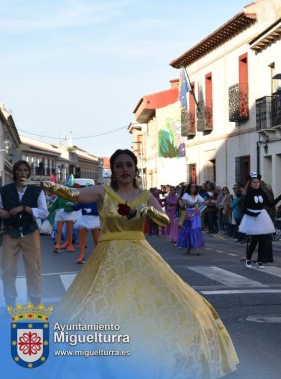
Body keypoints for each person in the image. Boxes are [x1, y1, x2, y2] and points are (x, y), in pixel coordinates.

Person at [26, 149, 238, 378]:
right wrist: (49, 186)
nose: (124, 169)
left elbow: (165, 219)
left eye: (129, 164)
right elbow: (72, 194)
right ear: (114, 171)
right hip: (107, 260)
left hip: (140, 255)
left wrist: (147, 210)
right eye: (119, 165)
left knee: (169, 305)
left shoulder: (145, 195)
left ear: (135, 168)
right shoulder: (102, 192)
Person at [0, 160, 49, 306]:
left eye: (25, 170)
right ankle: (10, 302)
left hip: (30, 231)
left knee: (33, 269)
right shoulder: (4, 190)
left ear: (29, 172)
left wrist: (25, 208)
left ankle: (35, 301)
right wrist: (3, 213)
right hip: (10, 232)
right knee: (8, 270)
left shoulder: (36, 190)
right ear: (14, 172)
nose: (22, 173)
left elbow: (44, 213)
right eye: (19, 170)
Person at [239, 172, 281, 269]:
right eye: (254, 182)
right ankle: (248, 259)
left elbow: (270, 205)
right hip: (252, 217)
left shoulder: (263, 193)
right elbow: (243, 209)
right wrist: (253, 214)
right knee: (254, 240)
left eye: (257, 182)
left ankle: (259, 261)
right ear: (250, 184)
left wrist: (279, 198)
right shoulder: (248, 195)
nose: (256, 184)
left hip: (262, 217)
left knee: (263, 241)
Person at [177, 183, 206, 254]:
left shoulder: (197, 195)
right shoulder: (186, 195)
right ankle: (189, 248)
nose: (193, 188)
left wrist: (209, 202)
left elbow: (203, 201)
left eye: (194, 187)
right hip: (189, 214)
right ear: (189, 188)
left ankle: (197, 250)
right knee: (189, 230)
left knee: (196, 230)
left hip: (196, 215)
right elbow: (184, 202)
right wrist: (193, 204)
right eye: (192, 187)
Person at [72, 193, 100, 264]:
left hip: (94, 220)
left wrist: (92, 210)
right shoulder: (83, 200)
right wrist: (72, 205)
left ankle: (98, 256)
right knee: (82, 240)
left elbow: (101, 209)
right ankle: (81, 256)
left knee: (96, 239)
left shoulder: (97, 200)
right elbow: (76, 208)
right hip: (84, 219)